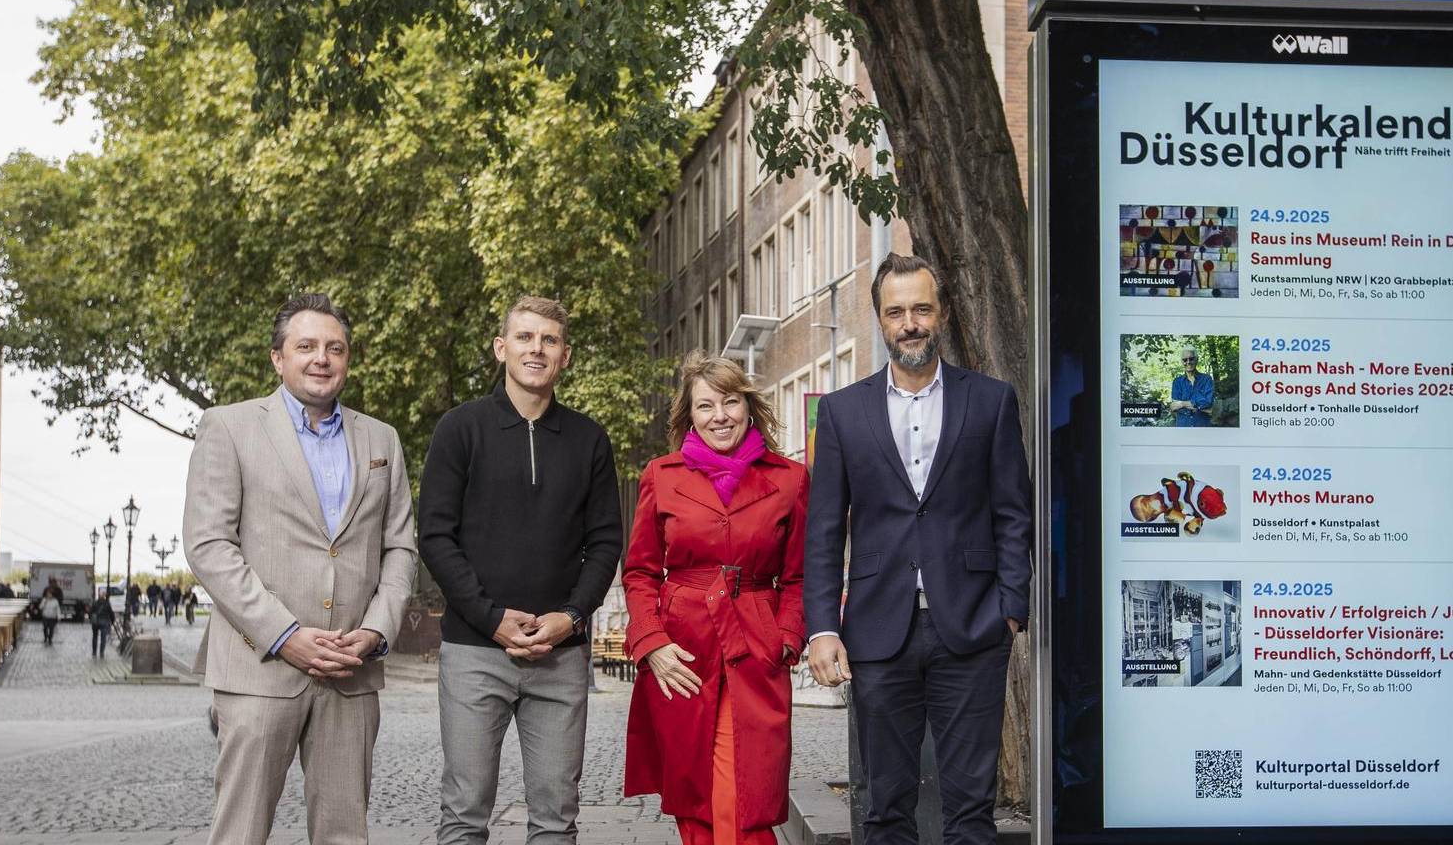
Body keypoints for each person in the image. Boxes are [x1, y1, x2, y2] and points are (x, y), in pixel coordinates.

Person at [804, 254, 1033, 845]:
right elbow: (825, 529)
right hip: (879, 632)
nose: (910, 323)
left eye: (921, 309)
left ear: (943, 314)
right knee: (885, 809)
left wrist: (1011, 604)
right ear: (880, 322)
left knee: (970, 812)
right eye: (896, 311)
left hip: (974, 627)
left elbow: (1013, 512)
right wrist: (823, 626)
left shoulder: (990, 400)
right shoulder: (841, 412)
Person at [184, 293, 419, 845]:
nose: (321, 358)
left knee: (344, 835)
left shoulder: (381, 439)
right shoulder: (229, 427)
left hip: (350, 672)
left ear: (347, 359)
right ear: (278, 358)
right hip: (258, 671)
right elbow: (209, 545)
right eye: (306, 346)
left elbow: (400, 548)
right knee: (239, 832)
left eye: (334, 348)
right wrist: (285, 635)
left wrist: (376, 633)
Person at [419, 295, 624, 845]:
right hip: (474, 652)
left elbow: (605, 543)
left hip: (560, 657)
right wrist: (490, 618)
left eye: (549, 340)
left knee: (556, 819)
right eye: (526, 337)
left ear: (566, 356)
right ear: (501, 347)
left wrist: (572, 616)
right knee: (464, 813)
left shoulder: (589, 440)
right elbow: (435, 537)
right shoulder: (459, 430)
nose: (537, 348)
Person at [621, 353, 807, 845]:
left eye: (730, 402)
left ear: (748, 407)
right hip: (681, 654)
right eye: (706, 406)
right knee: (695, 803)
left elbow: (799, 577)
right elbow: (639, 571)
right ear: (689, 414)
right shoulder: (661, 475)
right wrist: (652, 642)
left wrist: (786, 638)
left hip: (756, 648)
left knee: (746, 799)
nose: (719, 416)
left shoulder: (788, 479)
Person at [1168, 346, 1214, 427]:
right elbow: (1174, 407)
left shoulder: (1206, 379)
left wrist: (1182, 404)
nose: (1188, 362)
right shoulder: (1177, 382)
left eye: (1191, 359)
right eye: (1185, 360)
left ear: (1196, 359)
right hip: (1183, 427)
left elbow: (1209, 403)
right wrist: (1201, 406)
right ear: (1182, 362)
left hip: (1202, 426)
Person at [89, 592, 116, 658]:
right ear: (104, 596)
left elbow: (90, 612)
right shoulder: (107, 604)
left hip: (95, 622)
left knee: (95, 637)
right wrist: (112, 621)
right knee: (103, 638)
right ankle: (101, 652)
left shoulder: (95, 603)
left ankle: (94, 652)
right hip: (104, 622)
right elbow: (111, 613)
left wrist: (91, 620)